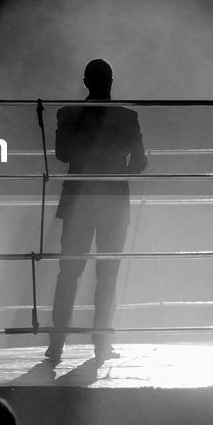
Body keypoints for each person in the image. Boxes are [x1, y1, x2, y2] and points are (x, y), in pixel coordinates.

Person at [48, 58, 147, 362]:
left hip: (79, 200)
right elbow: (141, 162)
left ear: (86, 83)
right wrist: (117, 173)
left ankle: (57, 343)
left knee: (69, 272)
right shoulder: (127, 118)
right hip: (114, 203)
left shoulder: (69, 114)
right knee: (107, 274)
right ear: (111, 82)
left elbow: (63, 154)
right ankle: (101, 343)